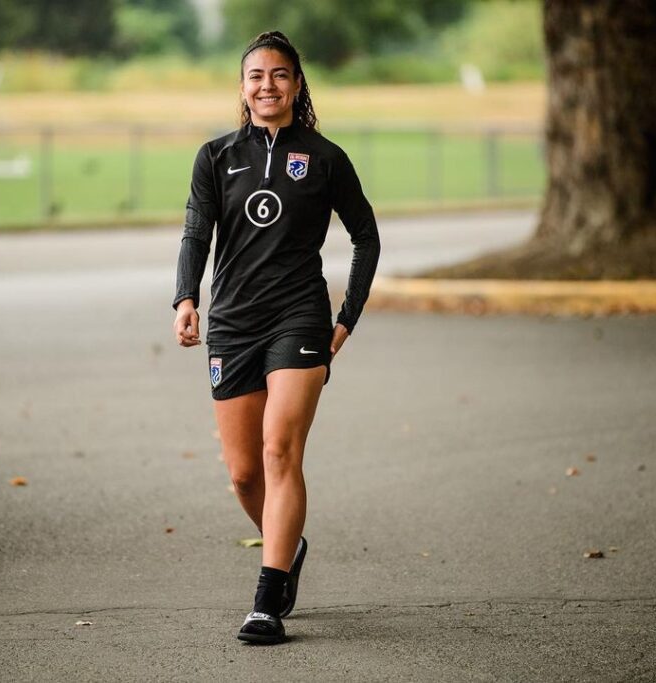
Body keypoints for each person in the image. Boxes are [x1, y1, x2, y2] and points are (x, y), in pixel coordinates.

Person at [172, 30, 380, 645]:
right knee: (242, 474)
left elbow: (365, 238)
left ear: (297, 85)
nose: (268, 85)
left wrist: (347, 318)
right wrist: (186, 298)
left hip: (299, 319)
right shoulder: (214, 157)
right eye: (256, 76)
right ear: (243, 88)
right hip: (234, 323)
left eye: (280, 74)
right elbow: (194, 236)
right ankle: (288, 543)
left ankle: (266, 600)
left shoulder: (325, 158)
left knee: (280, 451)